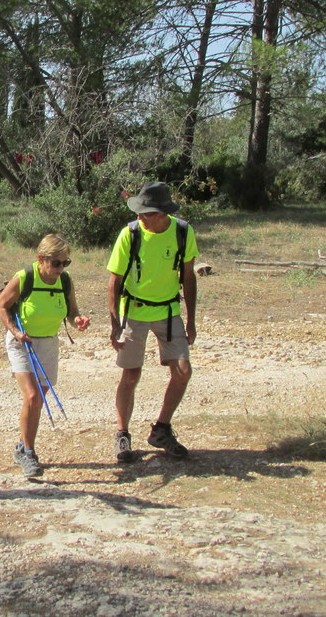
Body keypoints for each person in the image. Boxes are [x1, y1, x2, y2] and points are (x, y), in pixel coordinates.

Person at [107, 181, 198, 463]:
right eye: (140, 211)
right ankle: (122, 434)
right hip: (134, 311)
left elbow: (189, 276)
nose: (140, 217)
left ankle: (161, 429)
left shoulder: (182, 232)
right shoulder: (129, 234)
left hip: (169, 312)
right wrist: (115, 324)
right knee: (131, 375)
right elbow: (114, 281)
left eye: (146, 212)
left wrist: (192, 320)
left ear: (162, 213)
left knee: (182, 370)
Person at [0, 234, 90, 477]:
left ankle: (21, 445)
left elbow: (72, 311)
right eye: (56, 263)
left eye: (65, 263)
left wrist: (77, 319)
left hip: (49, 343)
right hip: (22, 342)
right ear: (41, 259)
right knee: (33, 397)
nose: (61, 268)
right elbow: (1, 305)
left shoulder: (64, 281)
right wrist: (15, 331)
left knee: (37, 399)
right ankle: (28, 453)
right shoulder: (25, 277)